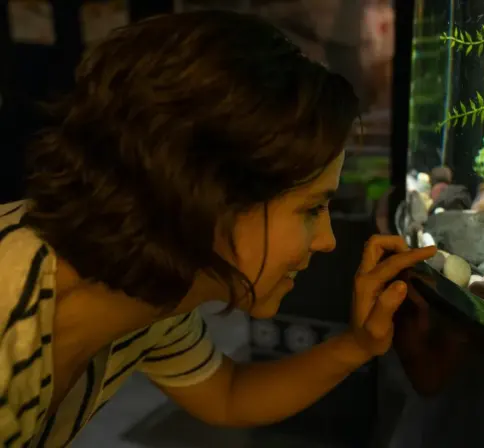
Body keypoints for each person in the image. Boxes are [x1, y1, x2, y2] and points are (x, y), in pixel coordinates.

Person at [0, 10, 436, 447]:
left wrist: (358, 344)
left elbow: (227, 395)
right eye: (311, 208)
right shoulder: (10, 324)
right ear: (206, 196)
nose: (328, 241)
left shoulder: (148, 290)